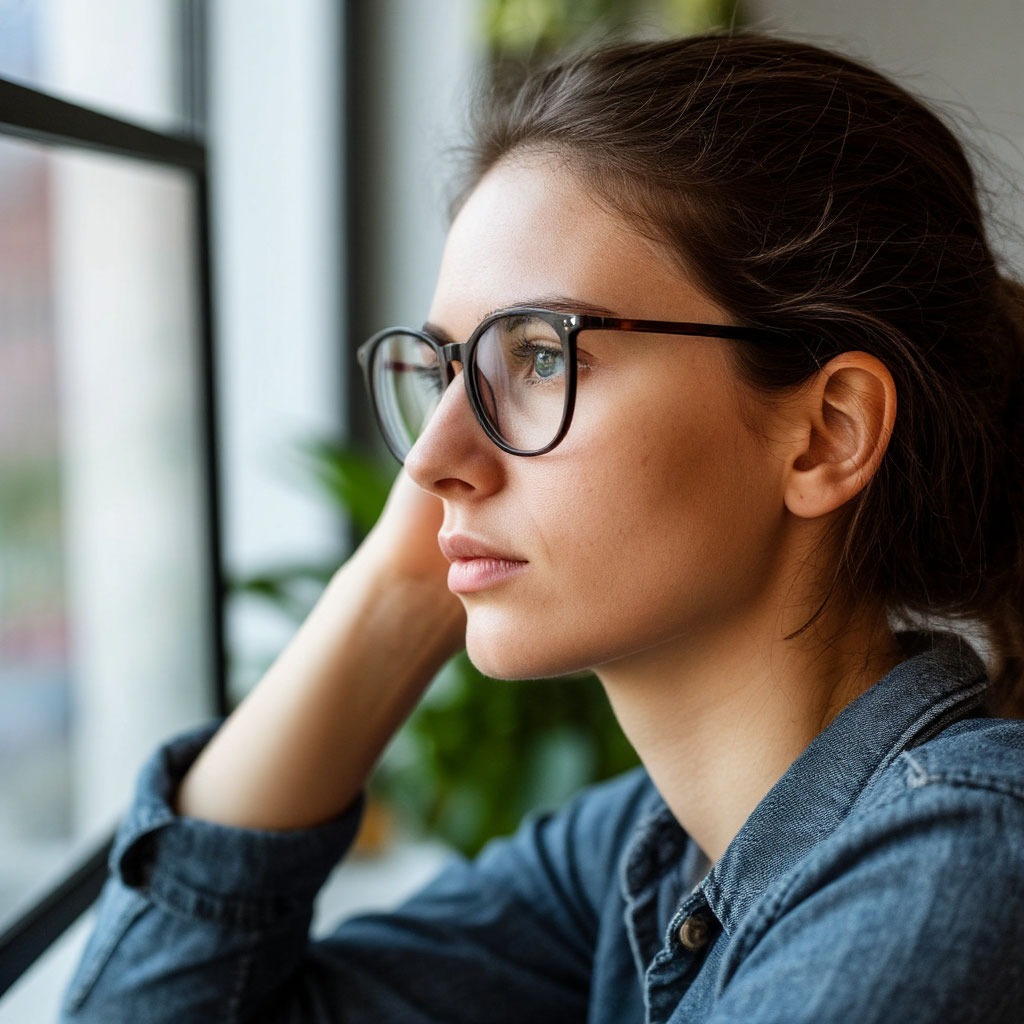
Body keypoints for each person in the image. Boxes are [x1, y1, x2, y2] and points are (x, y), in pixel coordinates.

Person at [62, 31, 1024, 1023]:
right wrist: (400, 587)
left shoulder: (958, 865)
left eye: (540, 356)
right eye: (443, 369)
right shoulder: (637, 856)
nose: (430, 461)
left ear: (824, 434)